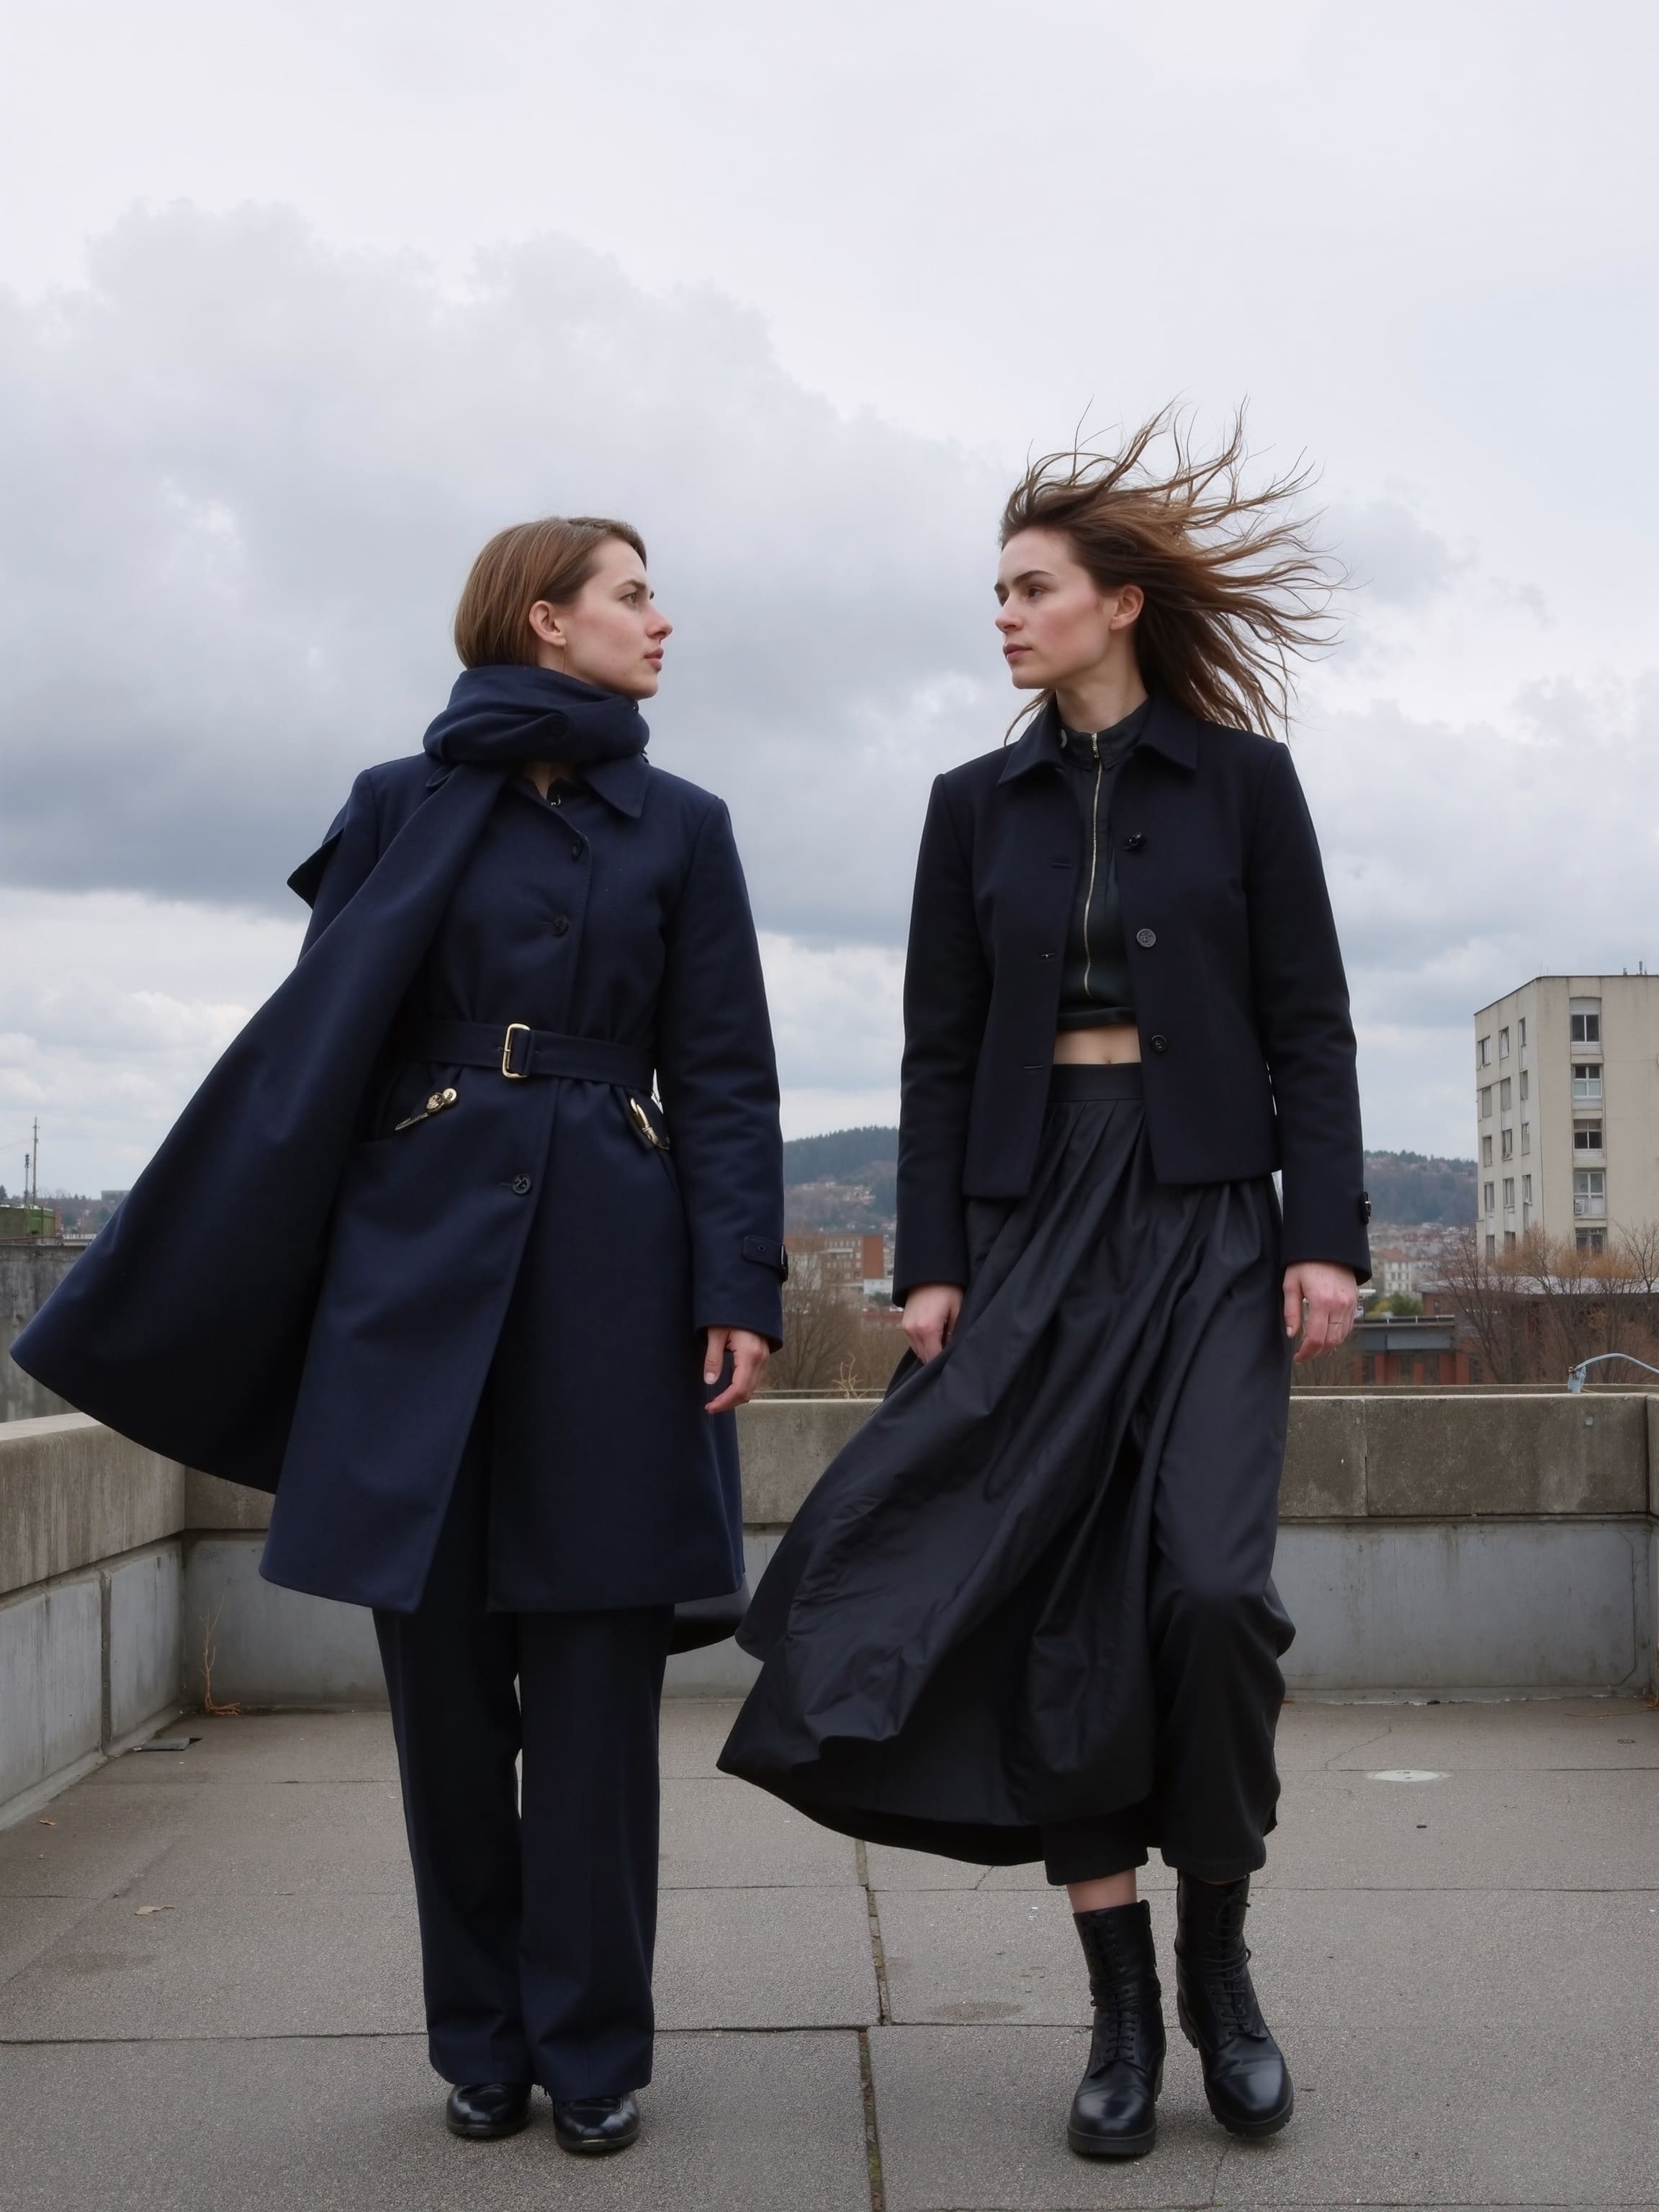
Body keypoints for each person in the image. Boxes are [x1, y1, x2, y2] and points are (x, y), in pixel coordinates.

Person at [14, 516, 786, 2157]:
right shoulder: (397, 803)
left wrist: (740, 1286)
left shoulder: (686, 826)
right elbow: (321, 1055)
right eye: (635, 593)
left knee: (590, 1694)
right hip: (412, 1278)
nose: (665, 619)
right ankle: (477, 2041)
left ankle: (591, 2050)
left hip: (611, 1275)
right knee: (442, 1699)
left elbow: (724, 1072)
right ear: (542, 614)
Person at [720, 412, 1367, 2159]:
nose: (1003, 615)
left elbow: (1309, 1017)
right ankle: (1121, 2008)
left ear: (1120, 604)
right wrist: (932, 1265)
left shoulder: (1244, 785)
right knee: (1060, 1618)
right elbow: (937, 1055)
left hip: (1215, 1215)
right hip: (1030, 1229)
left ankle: (1222, 1968)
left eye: (1032, 588)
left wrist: (1329, 1233)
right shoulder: (968, 808)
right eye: (997, 590)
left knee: (1214, 1595)